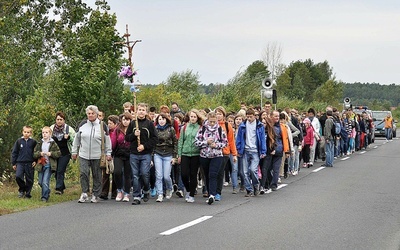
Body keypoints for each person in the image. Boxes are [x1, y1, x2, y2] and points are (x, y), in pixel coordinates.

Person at [72, 105, 112, 203]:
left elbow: (107, 140)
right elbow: (77, 138)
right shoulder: (82, 124)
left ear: (97, 114)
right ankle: (84, 193)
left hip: (97, 155)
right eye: (89, 113)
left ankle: (95, 194)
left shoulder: (103, 125)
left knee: (97, 175)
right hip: (83, 154)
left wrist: (108, 153)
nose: (90, 115)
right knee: (83, 173)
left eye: (92, 113)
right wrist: (74, 151)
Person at [125, 103, 158, 205]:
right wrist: (134, 135)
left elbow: (154, 139)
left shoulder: (149, 124)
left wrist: (144, 146)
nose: (141, 112)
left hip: (146, 154)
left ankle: (146, 189)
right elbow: (127, 138)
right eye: (139, 109)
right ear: (136, 111)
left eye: (143, 110)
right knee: (135, 175)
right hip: (134, 153)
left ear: (146, 112)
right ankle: (136, 196)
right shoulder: (133, 124)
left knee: (144, 173)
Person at [195, 111, 227, 205]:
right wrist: (206, 142)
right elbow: (196, 142)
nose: (212, 123)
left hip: (217, 155)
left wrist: (216, 145)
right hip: (204, 155)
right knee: (207, 175)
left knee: (213, 174)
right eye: (210, 121)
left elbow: (225, 143)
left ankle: (213, 194)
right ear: (207, 120)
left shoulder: (220, 129)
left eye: (214, 121)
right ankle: (210, 193)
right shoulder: (202, 129)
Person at [235, 108, 266, 196]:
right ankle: (249, 189)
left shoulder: (259, 126)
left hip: (255, 150)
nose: (249, 119)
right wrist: (238, 149)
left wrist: (263, 151)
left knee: (253, 170)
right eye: (247, 117)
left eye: (251, 117)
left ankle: (256, 185)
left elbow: (262, 139)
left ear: (254, 116)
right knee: (245, 172)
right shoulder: (243, 126)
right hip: (245, 150)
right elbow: (239, 138)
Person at [178, 109, 203, 203]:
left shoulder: (200, 128)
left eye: (194, 117)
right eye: (191, 116)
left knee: (193, 174)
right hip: (185, 153)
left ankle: (192, 194)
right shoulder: (184, 127)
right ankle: (188, 190)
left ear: (197, 118)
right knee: (184, 174)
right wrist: (179, 155)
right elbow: (180, 141)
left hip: (196, 154)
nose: (192, 118)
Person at [154, 113, 178, 202]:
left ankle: (169, 187)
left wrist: (174, 156)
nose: (161, 121)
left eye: (163, 119)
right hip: (158, 153)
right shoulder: (155, 129)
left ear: (166, 120)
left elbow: (175, 142)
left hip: (168, 154)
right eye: (160, 119)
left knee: (166, 176)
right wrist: (152, 156)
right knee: (159, 175)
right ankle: (160, 194)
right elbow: (153, 143)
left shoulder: (171, 129)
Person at [50, 111, 76, 195]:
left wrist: (69, 138)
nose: (59, 121)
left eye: (61, 119)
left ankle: (59, 189)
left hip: (65, 153)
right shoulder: (51, 128)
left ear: (64, 120)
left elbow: (75, 140)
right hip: (54, 153)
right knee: (56, 171)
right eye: (57, 119)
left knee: (60, 170)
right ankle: (62, 185)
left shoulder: (69, 129)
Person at [215, 106, 237, 198]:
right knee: (213, 172)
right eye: (216, 113)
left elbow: (231, 141)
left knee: (220, 172)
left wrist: (234, 154)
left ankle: (218, 192)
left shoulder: (227, 126)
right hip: (213, 152)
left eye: (220, 114)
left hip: (224, 152)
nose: (218, 116)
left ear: (223, 115)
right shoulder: (211, 124)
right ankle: (211, 190)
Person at [33, 126, 61, 202]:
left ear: (50, 134)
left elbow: (58, 153)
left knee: (45, 181)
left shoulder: (53, 143)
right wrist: (40, 154)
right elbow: (34, 154)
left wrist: (51, 153)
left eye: (46, 132)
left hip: (49, 165)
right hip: (41, 165)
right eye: (43, 132)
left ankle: (44, 197)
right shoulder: (39, 143)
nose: (44, 134)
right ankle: (47, 191)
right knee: (40, 182)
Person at [111, 112, 133, 202]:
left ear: (130, 120)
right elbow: (113, 142)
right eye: (123, 120)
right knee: (117, 172)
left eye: (127, 120)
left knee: (127, 175)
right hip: (119, 153)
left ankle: (127, 193)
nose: (125, 122)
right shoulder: (117, 130)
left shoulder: (133, 130)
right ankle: (119, 190)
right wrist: (110, 152)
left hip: (130, 154)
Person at [11, 126, 37, 198]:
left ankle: (28, 194)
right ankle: (22, 189)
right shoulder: (19, 141)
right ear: (22, 132)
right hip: (20, 162)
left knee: (29, 179)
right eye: (25, 132)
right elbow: (14, 152)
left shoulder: (33, 142)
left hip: (30, 163)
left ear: (31, 133)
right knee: (18, 176)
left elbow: (36, 152)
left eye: (28, 132)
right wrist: (14, 163)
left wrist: (35, 161)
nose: (26, 134)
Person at [100, 115, 119, 200]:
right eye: (108, 123)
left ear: (115, 124)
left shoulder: (118, 132)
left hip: (115, 154)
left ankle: (114, 192)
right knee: (106, 173)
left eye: (111, 123)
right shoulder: (106, 132)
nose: (109, 125)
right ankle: (104, 192)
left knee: (115, 174)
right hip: (106, 154)